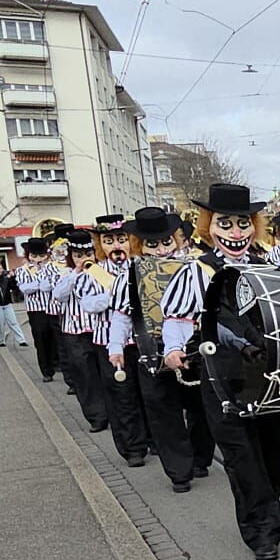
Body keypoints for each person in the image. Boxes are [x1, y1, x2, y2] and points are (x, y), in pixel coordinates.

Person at [160, 184, 280, 560]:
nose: (235, 233)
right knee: (241, 452)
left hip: (268, 373)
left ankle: (268, 507)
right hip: (220, 374)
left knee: (275, 444)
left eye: (242, 224)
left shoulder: (267, 267)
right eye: (225, 224)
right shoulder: (196, 271)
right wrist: (172, 349)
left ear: (254, 225)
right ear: (209, 226)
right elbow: (176, 318)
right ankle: (261, 530)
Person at [109, 207, 214, 493]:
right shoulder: (129, 275)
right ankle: (179, 472)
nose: (161, 250)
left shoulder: (194, 269)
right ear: (140, 245)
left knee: (202, 406)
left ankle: (200, 457)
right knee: (163, 412)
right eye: (152, 244)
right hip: (150, 350)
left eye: (166, 242)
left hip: (193, 347)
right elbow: (121, 315)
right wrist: (116, 346)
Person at [80, 218, 151, 466]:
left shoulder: (142, 267)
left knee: (150, 394)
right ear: (101, 245)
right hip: (109, 344)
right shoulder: (93, 272)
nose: (117, 246)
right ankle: (133, 448)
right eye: (109, 241)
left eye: (122, 240)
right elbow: (88, 304)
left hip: (143, 341)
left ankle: (154, 439)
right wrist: (115, 295)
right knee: (122, 397)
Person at [52, 229, 110, 433]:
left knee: (107, 373)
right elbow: (58, 295)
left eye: (87, 254)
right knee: (84, 375)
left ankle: (113, 411)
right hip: (75, 332)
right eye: (78, 255)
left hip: (101, 329)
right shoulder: (65, 273)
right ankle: (96, 416)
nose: (83, 259)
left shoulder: (103, 271)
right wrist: (75, 273)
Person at [16, 231, 64, 381]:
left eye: (41, 256)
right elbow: (25, 288)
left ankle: (58, 364)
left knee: (57, 338)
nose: (38, 259)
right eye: (34, 256)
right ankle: (46, 371)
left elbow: (57, 284)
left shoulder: (52, 267)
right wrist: (41, 284)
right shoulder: (23, 270)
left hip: (54, 308)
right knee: (41, 340)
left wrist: (45, 284)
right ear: (28, 255)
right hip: (36, 310)